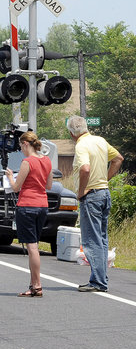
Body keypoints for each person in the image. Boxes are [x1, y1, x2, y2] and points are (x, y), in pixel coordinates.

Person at [67, 115, 123, 293]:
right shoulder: (100, 140)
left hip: (91, 195)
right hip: (104, 193)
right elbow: (118, 159)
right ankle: (101, 278)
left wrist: (82, 191)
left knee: (92, 240)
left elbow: (85, 168)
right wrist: (105, 179)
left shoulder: (81, 145)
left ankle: (98, 281)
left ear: (72, 133)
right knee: (102, 238)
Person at [5, 131, 53, 297]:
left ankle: (37, 285)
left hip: (27, 205)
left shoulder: (27, 162)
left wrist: (10, 177)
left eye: (20, 146)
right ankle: (33, 284)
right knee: (35, 245)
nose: (21, 150)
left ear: (26, 143)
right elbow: (49, 185)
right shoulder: (47, 160)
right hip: (42, 205)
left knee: (32, 247)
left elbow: (16, 187)